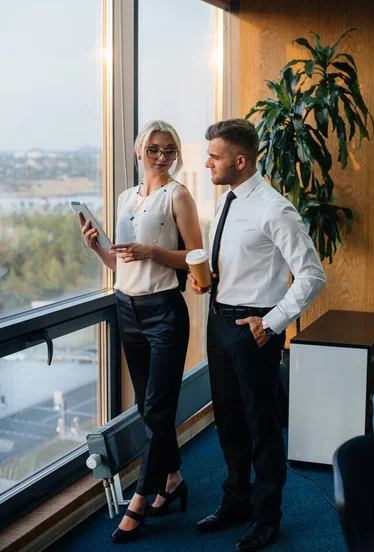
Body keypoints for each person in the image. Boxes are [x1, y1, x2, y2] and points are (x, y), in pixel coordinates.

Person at [189, 119, 326, 551]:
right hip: (219, 321)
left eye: (214, 156)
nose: (206, 162)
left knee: (261, 425)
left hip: (255, 328)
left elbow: (312, 275)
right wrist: (209, 279)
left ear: (240, 160)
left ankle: (267, 517)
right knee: (227, 420)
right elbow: (238, 262)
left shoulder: (274, 208)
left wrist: (270, 323)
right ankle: (237, 501)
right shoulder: (227, 201)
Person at [79, 120, 203, 544]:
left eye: (169, 149)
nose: (161, 157)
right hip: (126, 308)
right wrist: (97, 246)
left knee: (156, 408)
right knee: (151, 408)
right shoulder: (126, 198)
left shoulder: (178, 195)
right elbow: (125, 265)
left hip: (164, 311)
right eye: (153, 149)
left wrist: (153, 251)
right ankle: (172, 479)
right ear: (138, 151)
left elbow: (195, 259)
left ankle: (140, 498)